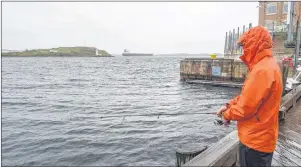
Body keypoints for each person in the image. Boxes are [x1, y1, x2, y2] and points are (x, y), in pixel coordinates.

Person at [216, 26, 283, 167]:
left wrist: (226, 115)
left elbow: (246, 108)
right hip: (262, 137)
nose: (243, 50)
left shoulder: (261, 71)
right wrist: (228, 105)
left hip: (255, 142)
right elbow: (248, 97)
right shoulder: (268, 65)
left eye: (244, 45)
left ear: (254, 44)